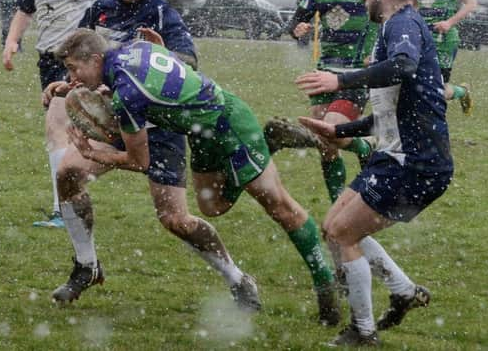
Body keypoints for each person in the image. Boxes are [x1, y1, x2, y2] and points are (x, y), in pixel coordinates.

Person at [46, 26, 340, 323]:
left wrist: (92, 152)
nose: (73, 77)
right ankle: (270, 146)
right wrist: (84, 89)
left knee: (281, 208)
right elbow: (168, 67)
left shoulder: (128, 93)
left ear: (96, 59)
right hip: (201, 133)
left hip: (231, 126)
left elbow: (139, 161)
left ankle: (326, 286)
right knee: (212, 207)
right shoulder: (135, 49)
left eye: (74, 69)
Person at [47, 0, 257, 314]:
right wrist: (67, 82)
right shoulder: (101, 8)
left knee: (175, 219)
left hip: (161, 126)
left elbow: (188, 62)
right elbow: (80, 55)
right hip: (115, 120)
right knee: (67, 173)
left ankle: (237, 278)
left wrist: (165, 53)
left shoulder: (163, 13)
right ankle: (86, 265)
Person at [295, 0, 453, 346]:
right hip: (396, 154)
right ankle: (402, 291)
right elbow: (388, 113)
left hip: (418, 164)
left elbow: (403, 64)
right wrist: (340, 130)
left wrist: (340, 81)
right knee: (334, 227)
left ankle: (364, 332)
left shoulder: (402, 24)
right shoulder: (394, 26)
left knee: (344, 234)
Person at [2, 0, 114, 228]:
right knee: (64, 134)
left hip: (75, 64)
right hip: (47, 63)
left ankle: (64, 208)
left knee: (56, 132)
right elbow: (25, 10)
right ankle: (72, 195)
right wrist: (12, 41)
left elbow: (119, 5)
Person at [264, 0, 377, 204]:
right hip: (324, 71)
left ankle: (365, 147)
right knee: (326, 144)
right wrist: (297, 29)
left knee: (332, 131)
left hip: (356, 74)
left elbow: (383, 18)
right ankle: (337, 204)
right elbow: (297, 19)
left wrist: (373, 51)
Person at [416, 0, 476, 115]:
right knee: (417, 82)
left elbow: (471, 3)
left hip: (444, 40)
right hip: (420, 40)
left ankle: (462, 92)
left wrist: (449, 22)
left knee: (438, 88)